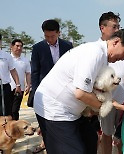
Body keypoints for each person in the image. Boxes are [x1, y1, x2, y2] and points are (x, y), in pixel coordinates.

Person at [33, 29, 124, 154]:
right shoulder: (94, 53)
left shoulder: (103, 57)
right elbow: (81, 93)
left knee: (90, 139)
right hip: (56, 110)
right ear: (116, 42)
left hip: (73, 112)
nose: (123, 58)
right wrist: (105, 106)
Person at [98, 11, 124, 154]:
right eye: (114, 27)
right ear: (102, 28)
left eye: (118, 26)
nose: (117, 30)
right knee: (107, 133)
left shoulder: (123, 45)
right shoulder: (97, 49)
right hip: (107, 101)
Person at [30, 19, 73, 153]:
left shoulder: (68, 46)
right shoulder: (38, 48)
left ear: (59, 33)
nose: (50, 39)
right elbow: (35, 72)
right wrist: (36, 92)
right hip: (45, 91)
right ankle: (49, 146)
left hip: (63, 90)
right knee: (46, 122)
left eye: (52, 36)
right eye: (46, 36)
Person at [0, 34, 21, 117]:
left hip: (4, 87)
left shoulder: (6, 56)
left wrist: (18, 85)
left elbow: (13, 71)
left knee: (5, 111)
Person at [10, 39, 31, 120]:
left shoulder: (25, 60)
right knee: (7, 110)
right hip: (7, 87)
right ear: (11, 46)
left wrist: (28, 85)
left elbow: (28, 73)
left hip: (20, 89)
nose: (19, 48)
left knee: (15, 110)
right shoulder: (7, 58)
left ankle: (15, 128)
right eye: (17, 46)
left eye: (21, 46)